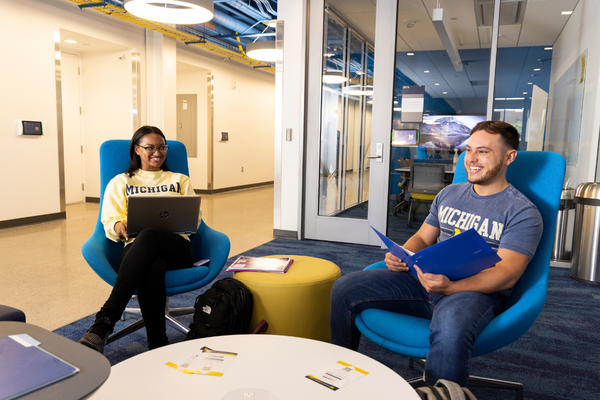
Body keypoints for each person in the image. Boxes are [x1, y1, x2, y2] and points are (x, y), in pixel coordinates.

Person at [330, 120, 543, 386]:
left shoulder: (522, 212)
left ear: (509, 156)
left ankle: (439, 393)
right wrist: (403, 253)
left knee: (452, 324)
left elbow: (507, 274)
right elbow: (422, 237)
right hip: (425, 280)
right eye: (469, 150)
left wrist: (452, 287)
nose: (471, 158)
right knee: (345, 287)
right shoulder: (449, 194)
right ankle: (338, 372)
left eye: (484, 151)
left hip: (473, 292)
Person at [79, 125, 201, 353]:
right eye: (150, 148)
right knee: (152, 265)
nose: (157, 152)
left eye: (162, 147)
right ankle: (158, 342)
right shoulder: (121, 182)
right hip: (138, 249)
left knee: (149, 233)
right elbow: (110, 217)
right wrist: (118, 225)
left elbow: (194, 220)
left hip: (178, 249)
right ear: (136, 149)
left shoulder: (180, 180)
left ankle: (105, 321)